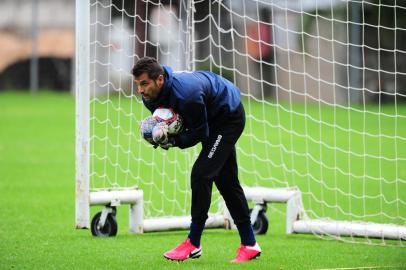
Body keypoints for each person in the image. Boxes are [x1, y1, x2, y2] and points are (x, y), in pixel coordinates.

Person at [132, 56, 261, 263]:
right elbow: (181, 123)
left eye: (144, 83)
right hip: (210, 115)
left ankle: (193, 243)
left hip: (227, 116)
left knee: (201, 174)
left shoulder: (187, 95)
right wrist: (161, 135)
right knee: (226, 181)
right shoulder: (149, 99)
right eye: (138, 84)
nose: (140, 90)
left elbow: (201, 133)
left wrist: (172, 142)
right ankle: (250, 244)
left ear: (160, 80)